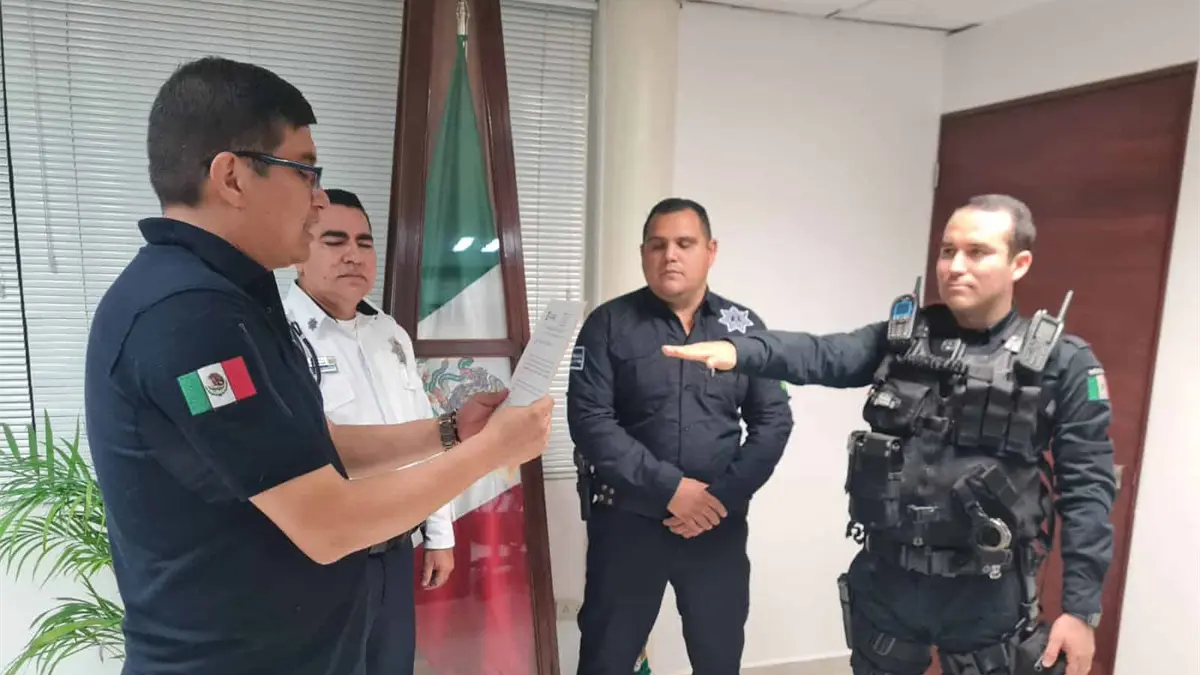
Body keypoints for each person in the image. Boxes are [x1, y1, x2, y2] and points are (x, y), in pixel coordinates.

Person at [83, 56, 552, 675]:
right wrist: (491, 453)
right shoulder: (187, 316)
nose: (319, 196)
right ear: (232, 177)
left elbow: (304, 447)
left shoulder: (238, 298)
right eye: (305, 170)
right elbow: (327, 524)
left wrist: (448, 432)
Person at [662, 195, 1117, 675]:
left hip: (986, 595)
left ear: (1019, 263)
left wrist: (1080, 609)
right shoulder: (903, 340)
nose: (955, 267)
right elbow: (822, 354)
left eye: (977, 252)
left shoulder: (1063, 363)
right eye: (947, 251)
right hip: (889, 584)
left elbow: (1088, 489)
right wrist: (740, 351)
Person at [566, 198, 794, 675]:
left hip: (716, 527)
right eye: (658, 245)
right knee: (607, 658)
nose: (670, 255)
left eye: (684, 243)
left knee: (718, 658)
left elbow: (773, 420)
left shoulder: (744, 330)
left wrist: (718, 498)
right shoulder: (608, 325)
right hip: (627, 525)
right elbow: (590, 420)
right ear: (643, 253)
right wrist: (671, 490)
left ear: (711, 251)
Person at [283, 188, 456, 675]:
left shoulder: (390, 333)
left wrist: (439, 533)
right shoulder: (277, 335)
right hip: (323, 560)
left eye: (364, 242)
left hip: (395, 552)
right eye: (334, 240)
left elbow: (424, 436)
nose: (353, 255)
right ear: (299, 252)